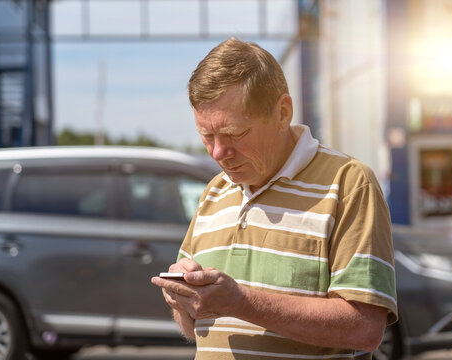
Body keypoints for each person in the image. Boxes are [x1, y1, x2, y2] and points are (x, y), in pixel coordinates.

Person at [151, 38, 397, 360]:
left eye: (235, 134)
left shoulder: (348, 184)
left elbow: (364, 329)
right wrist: (184, 300)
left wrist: (240, 302)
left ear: (282, 112)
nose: (218, 153)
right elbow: (193, 326)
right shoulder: (214, 192)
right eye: (207, 136)